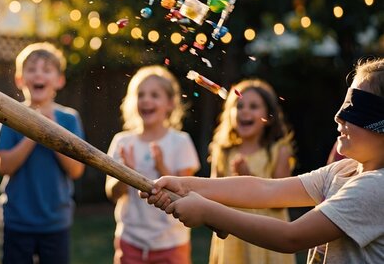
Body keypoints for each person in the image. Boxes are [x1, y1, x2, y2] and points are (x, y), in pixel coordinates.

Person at [141, 57, 384, 264]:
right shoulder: (344, 171)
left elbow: (291, 237)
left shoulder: (375, 187)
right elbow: (266, 188)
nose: (339, 117)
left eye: (356, 109)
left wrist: (207, 211)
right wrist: (186, 184)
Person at [0, 42, 85, 264]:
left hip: (56, 221)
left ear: (59, 80)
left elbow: (75, 170)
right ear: (20, 79)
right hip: (17, 220)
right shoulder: (9, 115)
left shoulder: (69, 119)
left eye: (46, 69)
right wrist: (33, 134)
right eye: (31, 69)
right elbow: (3, 166)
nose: (38, 75)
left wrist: (52, 134)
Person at [105, 65, 200, 264]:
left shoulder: (180, 142)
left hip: (171, 242)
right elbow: (112, 194)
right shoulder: (122, 142)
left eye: (154, 95)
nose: (146, 100)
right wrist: (127, 173)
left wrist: (161, 167)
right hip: (131, 239)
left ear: (170, 104)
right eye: (141, 95)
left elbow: (185, 196)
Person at [207, 79, 296, 264]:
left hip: (266, 237)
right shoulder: (222, 151)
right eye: (239, 106)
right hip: (232, 237)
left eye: (254, 106)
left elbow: (281, 201)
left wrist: (249, 178)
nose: (245, 111)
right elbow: (211, 194)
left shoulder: (278, 152)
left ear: (269, 117)